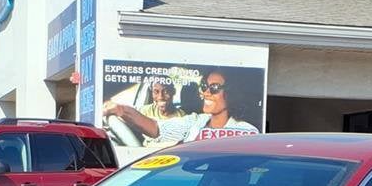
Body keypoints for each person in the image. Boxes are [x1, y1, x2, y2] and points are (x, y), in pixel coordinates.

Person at [104, 70, 259, 144]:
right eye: (204, 86)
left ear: (230, 94)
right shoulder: (194, 121)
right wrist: (120, 110)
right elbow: (156, 129)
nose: (206, 92)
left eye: (214, 88)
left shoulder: (247, 131)